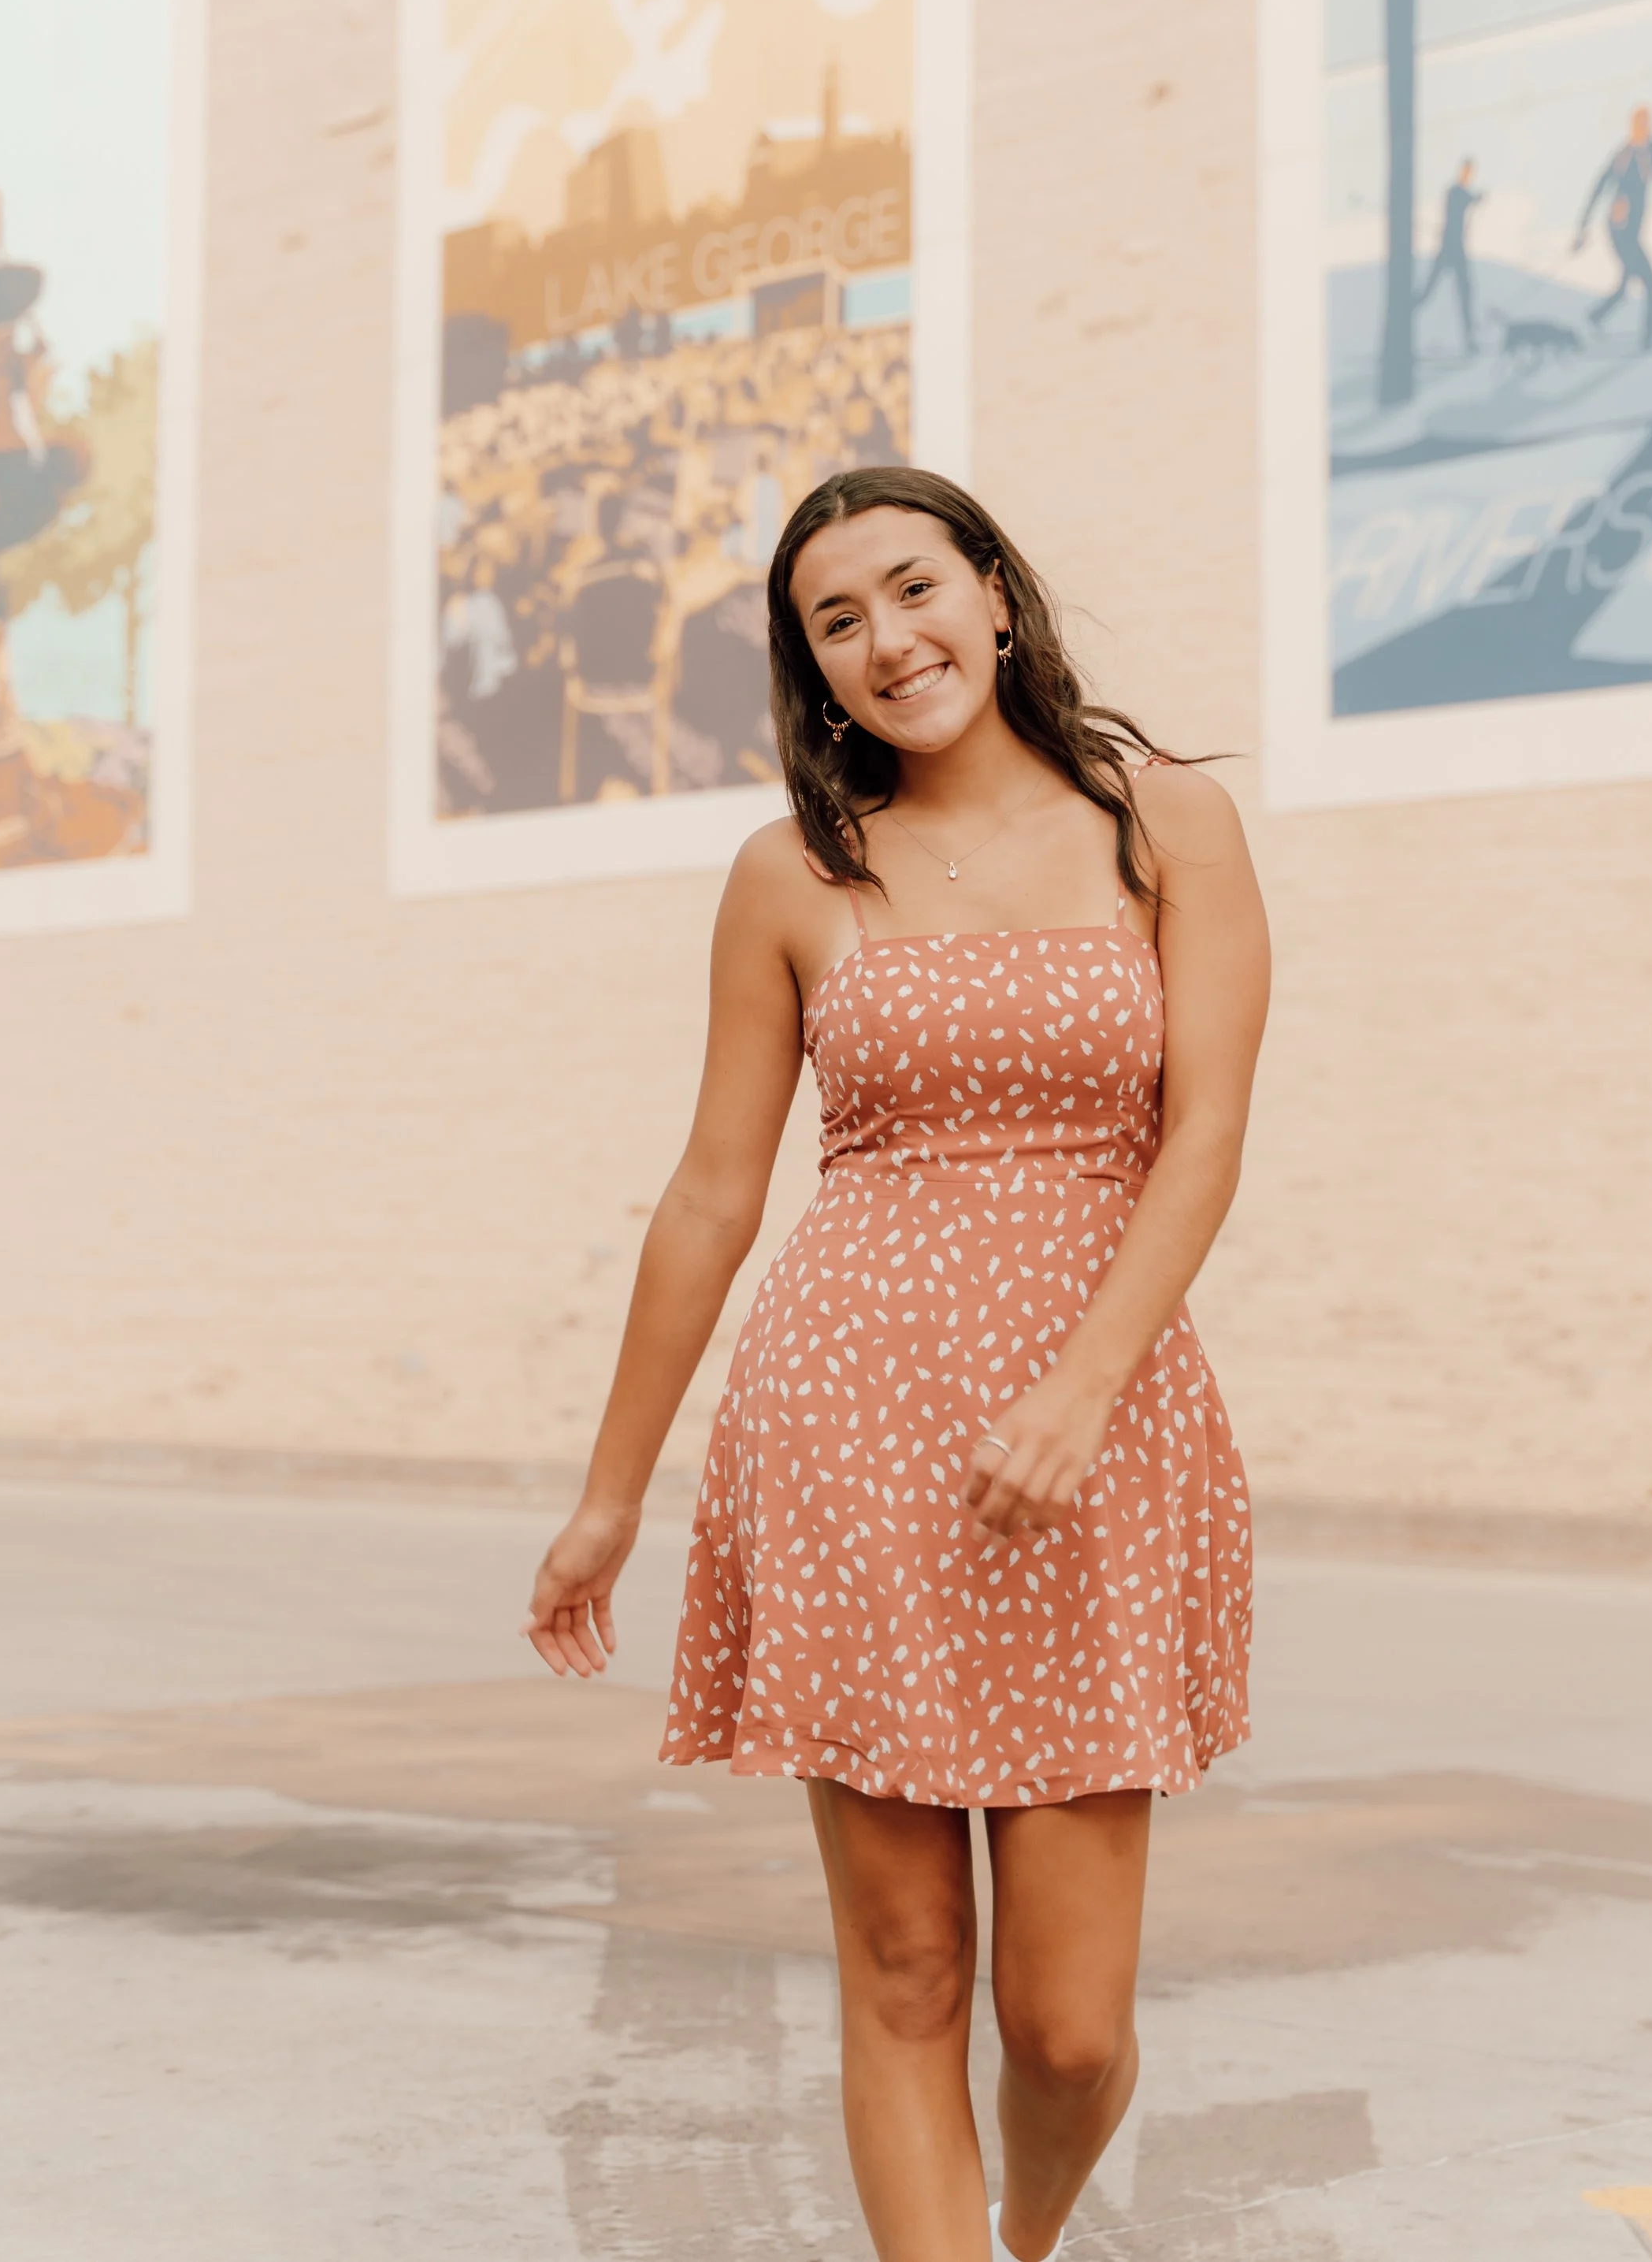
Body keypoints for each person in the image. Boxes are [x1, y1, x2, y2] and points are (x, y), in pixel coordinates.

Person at [525, 466, 1268, 2262]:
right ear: (813, 670)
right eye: (835, 621)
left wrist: (1081, 1387)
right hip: (847, 1430)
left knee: (1067, 2028)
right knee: (911, 1966)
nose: (888, 640)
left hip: (1094, 1440)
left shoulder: (1166, 824)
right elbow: (714, 1193)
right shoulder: (791, 873)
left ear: (996, 594)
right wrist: (610, 1496)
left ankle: (1021, 2233)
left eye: (913, 588)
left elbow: (1206, 1135)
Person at [1574, 106, 1652, 349]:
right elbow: (1600, 185)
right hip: (1619, 229)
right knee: (1649, 279)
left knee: (1627, 283)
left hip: (1631, 229)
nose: (1643, 128)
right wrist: (1583, 224)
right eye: (1639, 124)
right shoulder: (1624, 154)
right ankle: (1648, 336)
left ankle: (1595, 317)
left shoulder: (1650, 152)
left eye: (1646, 123)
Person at [1414, 157, 1483, 355]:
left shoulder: (1460, 193)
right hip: (1449, 248)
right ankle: (1402, 321)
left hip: (1456, 248)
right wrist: (1476, 198)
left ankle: (1470, 341)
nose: (1468, 175)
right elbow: (1465, 199)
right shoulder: (1455, 192)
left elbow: (1469, 199)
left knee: (1464, 294)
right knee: (1430, 292)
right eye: (1467, 171)